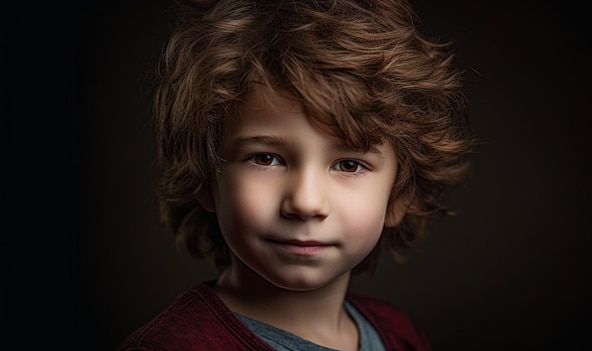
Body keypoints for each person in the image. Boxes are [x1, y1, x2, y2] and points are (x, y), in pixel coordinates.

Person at [117, 0, 475, 350]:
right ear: (206, 179)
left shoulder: (401, 336)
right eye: (266, 158)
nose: (305, 202)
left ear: (398, 197)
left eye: (349, 164)